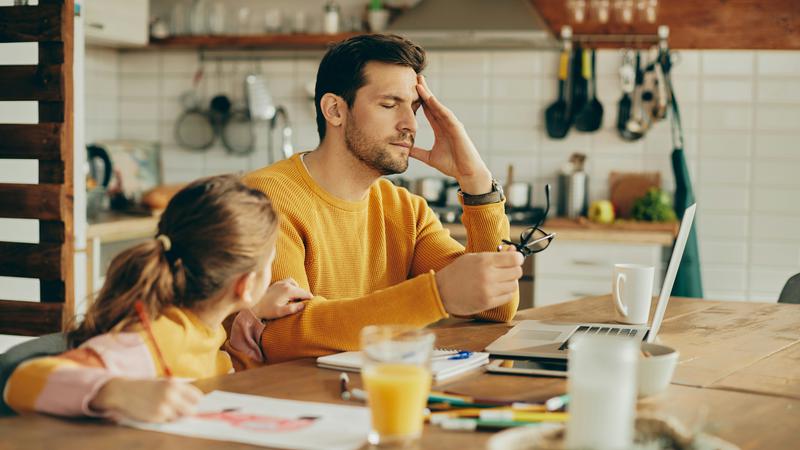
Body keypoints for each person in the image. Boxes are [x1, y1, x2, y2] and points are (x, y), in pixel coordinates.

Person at [233, 34, 525, 365]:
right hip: (282, 402)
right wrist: (435, 295)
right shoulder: (267, 198)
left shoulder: (406, 209)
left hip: (373, 393)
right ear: (335, 110)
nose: (410, 124)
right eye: (389, 105)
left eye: (414, 108)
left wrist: (476, 183)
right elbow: (281, 338)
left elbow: (494, 306)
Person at [3, 175, 308, 422]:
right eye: (271, 262)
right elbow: (23, 380)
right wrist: (114, 390)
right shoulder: (151, 339)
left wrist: (253, 310)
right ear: (244, 283)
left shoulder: (204, 324)